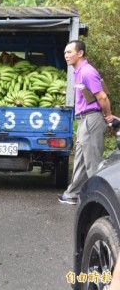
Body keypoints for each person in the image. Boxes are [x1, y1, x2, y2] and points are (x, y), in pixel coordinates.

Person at [59, 40, 113, 205]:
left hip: (91, 119)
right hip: (85, 120)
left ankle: (100, 199)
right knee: (81, 160)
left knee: (92, 161)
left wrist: (108, 116)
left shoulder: (88, 72)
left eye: (69, 52)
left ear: (80, 53)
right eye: (65, 53)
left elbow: (102, 97)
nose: (66, 55)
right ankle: (73, 193)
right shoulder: (79, 72)